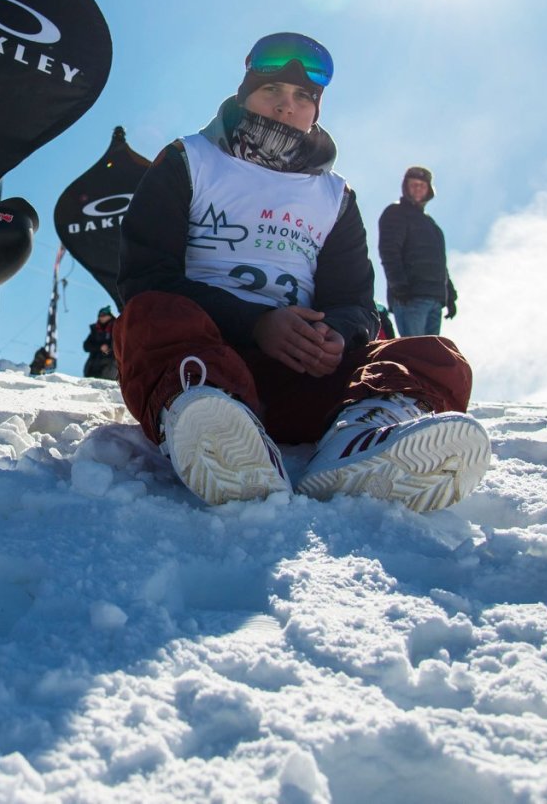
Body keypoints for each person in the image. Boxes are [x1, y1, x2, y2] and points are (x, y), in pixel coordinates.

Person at [113, 31, 490, 514]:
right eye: (272, 90)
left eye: (302, 97)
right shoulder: (190, 160)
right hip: (206, 351)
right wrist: (256, 324)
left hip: (300, 375)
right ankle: (210, 421)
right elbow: (146, 275)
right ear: (246, 92)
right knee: (151, 316)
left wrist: (335, 334)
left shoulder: (334, 195)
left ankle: (360, 440)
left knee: (437, 356)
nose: (285, 106)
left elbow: (355, 298)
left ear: (317, 110)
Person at [377, 166, 458, 337]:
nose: (418, 188)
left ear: (429, 190)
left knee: (430, 358)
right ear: (405, 187)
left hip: (435, 299)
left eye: (422, 185)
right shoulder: (396, 213)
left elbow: (440, 264)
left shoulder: (431, 225)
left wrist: (449, 295)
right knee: (415, 354)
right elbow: (389, 251)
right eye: (413, 184)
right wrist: (399, 286)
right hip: (411, 298)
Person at [82, 307, 119, 380]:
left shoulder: (117, 327)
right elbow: (86, 346)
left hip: (110, 366)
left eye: (103, 315)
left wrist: (109, 348)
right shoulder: (95, 330)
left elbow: (120, 344)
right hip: (93, 366)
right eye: (100, 316)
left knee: (105, 386)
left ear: (109, 316)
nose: (101, 317)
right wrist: (99, 347)